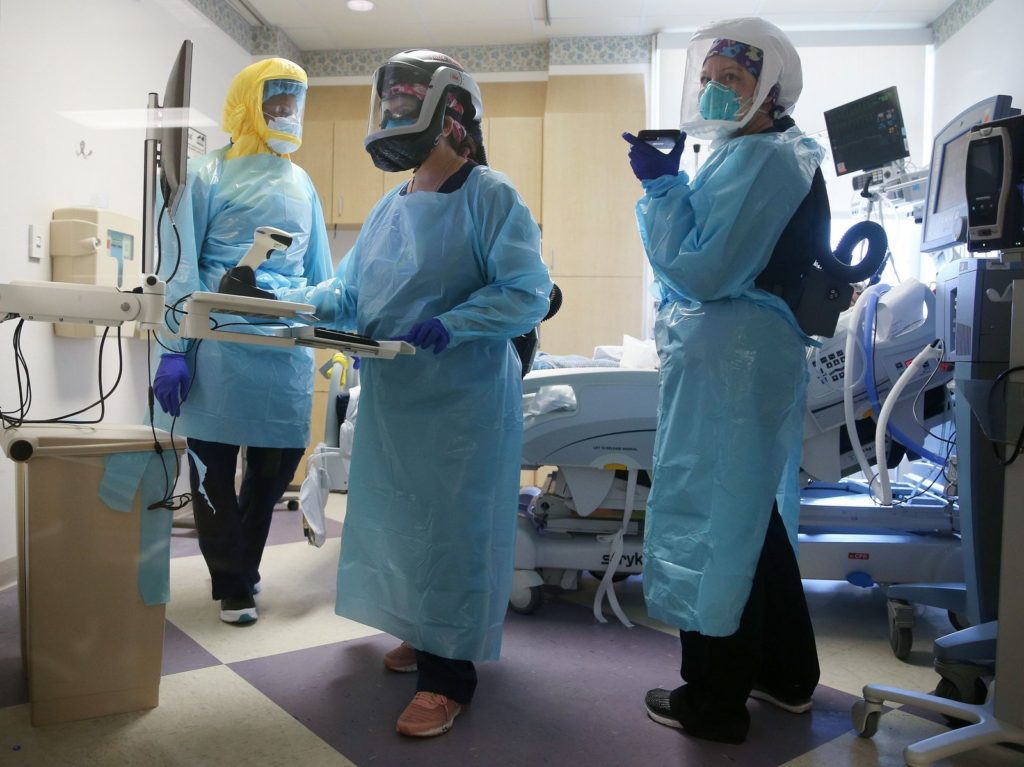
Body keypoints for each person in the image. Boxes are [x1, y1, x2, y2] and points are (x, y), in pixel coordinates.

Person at [321, 49, 551, 738]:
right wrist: (289, 305)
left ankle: (450, 677)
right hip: (396, 397)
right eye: (389, 102)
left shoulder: (490, 195)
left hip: (462, 400)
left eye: (407, 102)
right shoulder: (392, 204)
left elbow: (525, 291)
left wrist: (453, 324)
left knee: (452, 531)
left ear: (451, 114)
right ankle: (422, 632)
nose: (395, 114)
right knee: (400, 520)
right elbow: (348, 289)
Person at [622, 17, 825, 744]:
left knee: (714, 525)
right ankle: (785, 672)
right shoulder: (751, 153)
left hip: (734, 364)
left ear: (768, 91)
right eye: (707, 79)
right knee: (750, 522)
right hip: (737, 360)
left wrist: (663, 191)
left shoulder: (767, 159)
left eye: (730, 81)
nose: (712, 92)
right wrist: (678, 188)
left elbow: (705, 270)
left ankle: (712, 700)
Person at [150, 58, 333, 625]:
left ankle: (242, 566)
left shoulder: (302, 183)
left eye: (294, 103)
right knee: (211, 466)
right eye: (276, 101)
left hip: (284, 349)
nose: (287, 113)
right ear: (248, 104)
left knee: (276, 469)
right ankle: (231, 582)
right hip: (220, 345)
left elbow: (323, 272)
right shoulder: (206, 175)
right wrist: (172, 349)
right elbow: (178, 265)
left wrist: (339, 332)